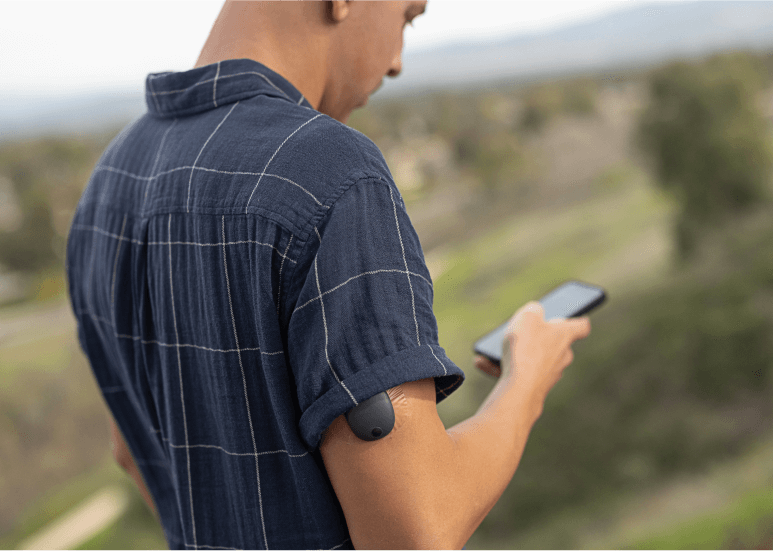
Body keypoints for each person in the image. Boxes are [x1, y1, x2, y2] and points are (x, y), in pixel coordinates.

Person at [66, 1, 592, 549]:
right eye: (408, 16)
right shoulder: (328, 172)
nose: (397, 62)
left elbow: (133, 454)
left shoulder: (110, 182)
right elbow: (416, 533)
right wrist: (525, 379)